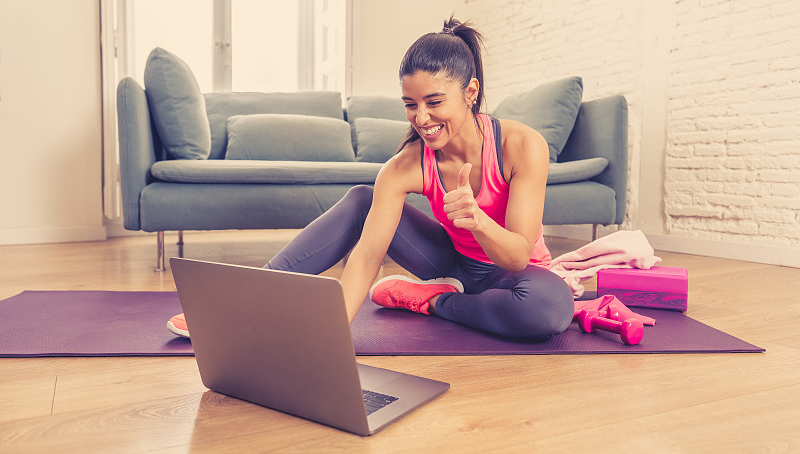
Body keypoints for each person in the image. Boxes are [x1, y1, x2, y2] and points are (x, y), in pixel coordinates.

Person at [167, 17, 574, 340]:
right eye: (410, 105)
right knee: (363, 200)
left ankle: (433, 302)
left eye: (434, 102)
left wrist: (479, 220)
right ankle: (237, 303)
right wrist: (332, 336)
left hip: (515, 274)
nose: (422, 118)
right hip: (454, 262)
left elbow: (519, 255)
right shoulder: (405, 166)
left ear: (470, 91)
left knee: (547, 309)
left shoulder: (522, 146)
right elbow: (367, 256)